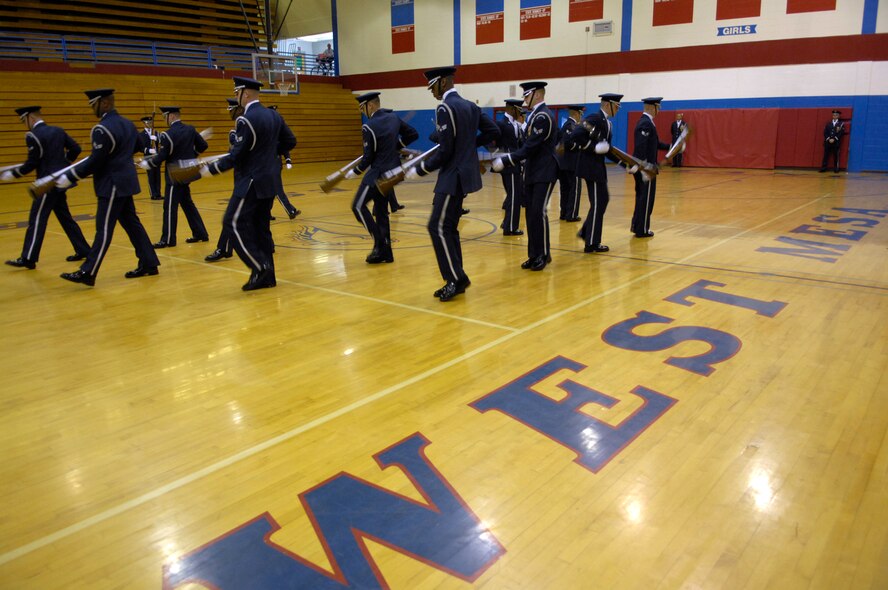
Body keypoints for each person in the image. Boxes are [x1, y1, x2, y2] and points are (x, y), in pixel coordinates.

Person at [406, 66, 499, 301]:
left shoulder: (445, 108)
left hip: (452, 176)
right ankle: (457, 277)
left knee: (436, 227)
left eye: (433, 85)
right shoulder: (470, 106)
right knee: (448, 228)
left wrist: (421, 169)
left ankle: (456, 279)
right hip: (462, 175)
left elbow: (446, 151)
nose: (431, 91)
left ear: (444, 82)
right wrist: (469, 145)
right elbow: (492, 130)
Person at [200, 76, 296, 291]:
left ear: (246, 94)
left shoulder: (245, 120)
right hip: (269, 180)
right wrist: (268, 154)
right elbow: (290, 141)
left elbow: (236, 156)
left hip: (251, 180)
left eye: (237, 93)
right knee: (261, 228)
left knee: (231, 222)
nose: (236, 97)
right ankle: (268, 275)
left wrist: (210, 169)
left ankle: (259, 268)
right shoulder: (273, 115)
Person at [58, 88, 160, 286]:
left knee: (103, 229)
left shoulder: (102, 129)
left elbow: (96, 161)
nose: (92, 109)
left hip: (111, 184)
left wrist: (70, 175)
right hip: (126, 182)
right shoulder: (128, 124)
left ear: (104, 103)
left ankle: (88, 271)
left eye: (93, 104)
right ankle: (149, 262)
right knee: (132, 225)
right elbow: (139, 146)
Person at [2, 106, 90, 269]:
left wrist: (14, 174)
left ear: (30, 118)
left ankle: (28, 258)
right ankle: (83, 249)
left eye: (24, 121)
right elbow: (75, 149)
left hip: (46, 185)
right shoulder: (58, 130)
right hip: (59, 182)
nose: (24, 125)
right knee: (65, 217)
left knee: (37, 219)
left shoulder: (33, 135)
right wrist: (63, 166)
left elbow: (32, 163)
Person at [344, 91, 418, 263]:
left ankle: (380, 244)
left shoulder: (368, 126)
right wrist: (396, 146)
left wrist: (354, 171)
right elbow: (413, 134)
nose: (363, 112)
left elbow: (368, 158)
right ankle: (386, 253)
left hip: (377, 174)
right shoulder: (393, 118)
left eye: (363, 109)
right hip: (394, 173)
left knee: (357, 206)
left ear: (370, 105)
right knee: (382, 212)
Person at [493, 81, 558, 271]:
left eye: (526, 95)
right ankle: (533, 254)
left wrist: (507, 160)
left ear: (536, 94)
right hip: (532, 171)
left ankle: (544, 254)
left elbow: (531, 147)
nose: (524, 99)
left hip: (544, 172)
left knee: (539, 212)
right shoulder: (535, 116)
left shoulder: (543, 116)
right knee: (530, 214)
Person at [139, 106, 209, 248]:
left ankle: (168, 239)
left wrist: (148, 163)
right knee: (187, 204)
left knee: (170, 206)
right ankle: (200, 233)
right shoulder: (190, 129)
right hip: (187, 171)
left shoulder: (167, 134)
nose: (165, 120)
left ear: (170, 116)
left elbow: (163, 156)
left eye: (165, 117)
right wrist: (191, 157)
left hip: (174, 174)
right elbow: (203, 146)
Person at [568, 93, 623, 253]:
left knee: (602, 200)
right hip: (590, 168)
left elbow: (607, 149)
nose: (618, 109)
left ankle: (586, 232)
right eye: (617, 106)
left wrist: (625, 165)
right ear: (608, 104)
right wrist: (593, 147)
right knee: (599, 202)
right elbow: (575, 135)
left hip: (597, 168)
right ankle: (591, 242)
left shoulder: (607, 123)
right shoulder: (595, 118)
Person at [205, 98, 241, 262]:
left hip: (246, 178)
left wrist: (211, 169)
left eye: (231, 109)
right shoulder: (236, 128)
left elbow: (236, 154)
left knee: (231, 217)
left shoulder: (242, 126)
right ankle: (268, 245)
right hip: (259, 176)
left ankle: (224, 248)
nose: (229, 112)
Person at [629, 97, 670, 238]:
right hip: (646, 168)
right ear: (652, 107)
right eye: (658, 107)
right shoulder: (645, 124)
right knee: (646, 199)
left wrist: (670, 147)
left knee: (642, 198)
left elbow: (655, 143)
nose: (659, 110)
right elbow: (640, 148)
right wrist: (644, 168)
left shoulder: (648, 123)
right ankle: (642, 229)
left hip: (645, 167)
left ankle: (637, 226)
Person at [491, 98, 525, 236]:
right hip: (508, 166)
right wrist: (495, 155)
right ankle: (510, 227)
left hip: (515, 164)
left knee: (513, 195)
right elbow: (490, 139)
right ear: (512, 109)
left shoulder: (514, 124)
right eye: (519, 110)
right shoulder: (502, 124)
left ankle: (507, 222)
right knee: (514, 196)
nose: (520, 113)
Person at [267, 105, 300, 219]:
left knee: (271, 190)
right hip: (268, 164)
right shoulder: (266, 131)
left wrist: (288, 159)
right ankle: (290, 210)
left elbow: (284, 145)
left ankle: (265, 214)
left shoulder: (278, 130)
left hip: (276, 163)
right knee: (277, 189)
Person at [556, 105, 584, 222]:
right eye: (580, 114)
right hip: (571, 164)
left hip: (564, 164)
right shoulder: (570, 126)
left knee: (565, 189)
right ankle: (571, 214)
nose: (581, 117)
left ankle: (564, 212)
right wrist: (580, 146)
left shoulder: (566, 125)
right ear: (576, 114)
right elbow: (567, 143)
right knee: (574, 189)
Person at [137, 115, 162, 199]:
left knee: (157, 176)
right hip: (148, 157)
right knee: (151, 176)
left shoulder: (156, 132)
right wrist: (148, 150)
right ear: (144, 123)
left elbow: (161, 142)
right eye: (148, 122)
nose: (150, 124)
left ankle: (158, 193)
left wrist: (157, 139)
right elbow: (140, 148)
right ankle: (153, 194)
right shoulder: (141, 135)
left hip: (156, 157)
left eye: (151, 122)